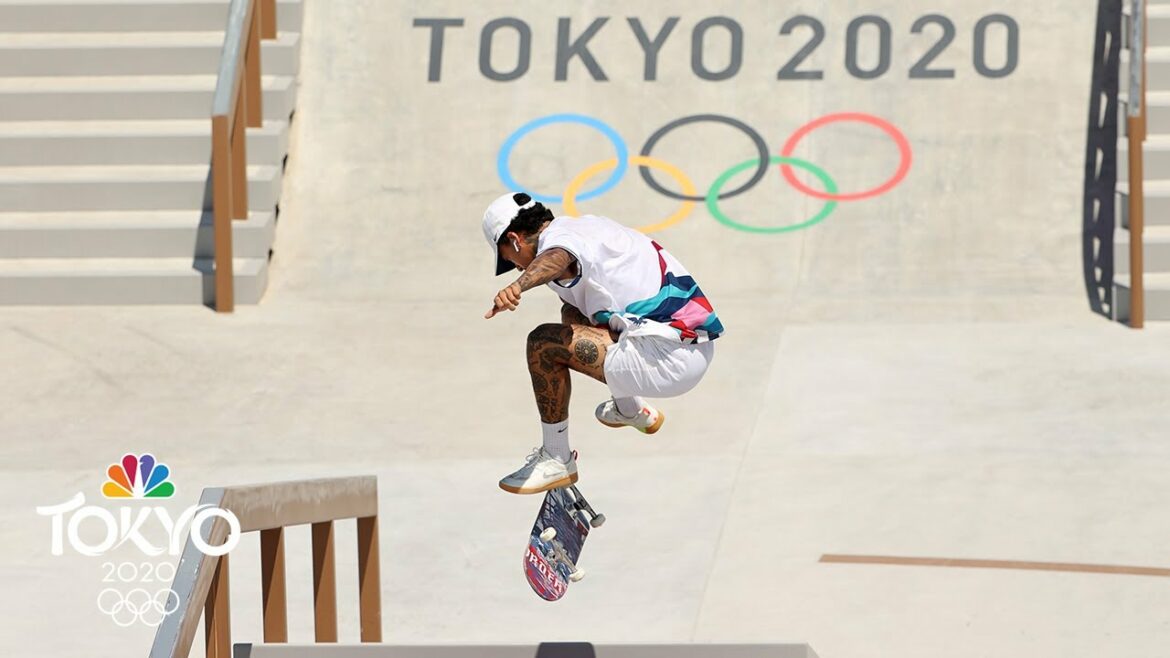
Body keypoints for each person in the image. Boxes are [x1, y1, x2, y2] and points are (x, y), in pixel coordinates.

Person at [482, 192, 723, 494]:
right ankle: (631, 409)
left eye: (508, 259)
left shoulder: (560, 242)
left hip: (666, 357)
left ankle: (557, 457)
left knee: (543, 343)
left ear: (515, 240)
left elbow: (557, 256)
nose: (516, 267)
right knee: (572, 312)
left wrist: (517, 286)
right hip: (689, 345)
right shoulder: (590, 227)